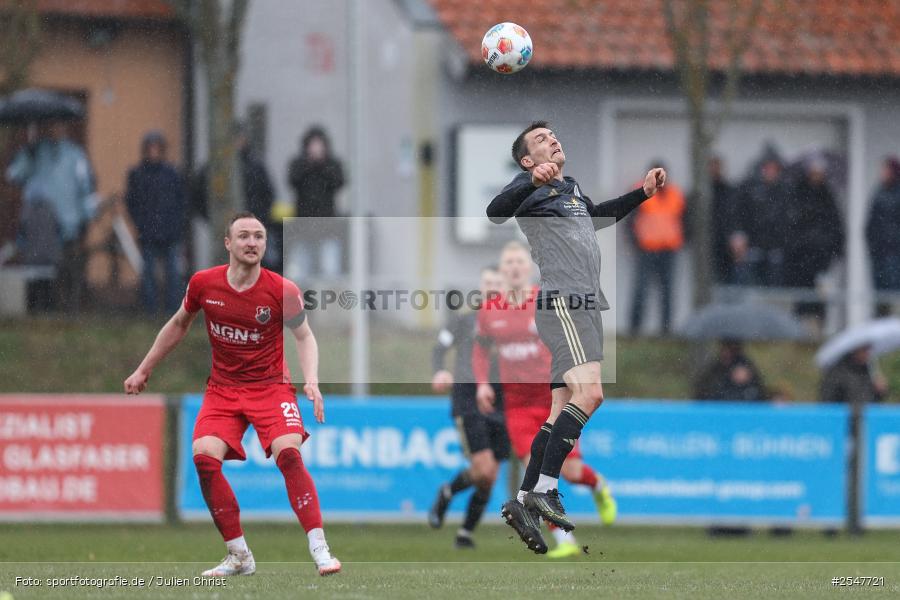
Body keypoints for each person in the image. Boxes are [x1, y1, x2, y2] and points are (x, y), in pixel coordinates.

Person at [123, 212, 341, 577]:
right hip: (223, 390)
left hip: (271, 387)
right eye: (244, 236)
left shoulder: (281, 290)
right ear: (228, 243)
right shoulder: (204, 284)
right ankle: (238, 555)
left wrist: (312, 380)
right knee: (204, 459)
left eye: (259, 236)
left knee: (289, 452)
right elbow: (179, 323)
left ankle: (320, 548)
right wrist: (144, 368)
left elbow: (304, 335)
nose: (252, 242)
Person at [486, 122, 663, 553]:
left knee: (560, 407)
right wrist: (529, 180)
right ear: (529, 159)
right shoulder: (529, 186)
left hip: (581, 302)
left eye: (552, 134)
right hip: (564, 300)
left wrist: (641, 193)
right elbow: (494, 211)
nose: (552, 139)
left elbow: (598, 216)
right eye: (541, 139)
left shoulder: (571, 189)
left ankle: (525, 498)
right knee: (591, 394)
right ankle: (546, 488)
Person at [474, 241, 617, 557]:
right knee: (536, 471)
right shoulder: (489, 310)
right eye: (508, 261)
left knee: (572, 472)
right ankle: (564, 542)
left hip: (553, 397)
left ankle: (599, 486)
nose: (513, 266)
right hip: (518, 405)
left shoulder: (546, 300)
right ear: (502, 269)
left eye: (518, 261)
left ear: (528, 267)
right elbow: (481, 349)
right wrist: (482, 383)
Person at [428, 266, 508, 549]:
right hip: (468, 399)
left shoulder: (516, 321)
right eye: (488, 282)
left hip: (502, 401)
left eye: (499, 283)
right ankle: (447, 491)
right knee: (484, 468)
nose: (493, 287)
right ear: (481, 286)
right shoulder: (464, 321)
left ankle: (465, 533)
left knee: (490, 474)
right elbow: (439, 348)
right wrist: (439, 371)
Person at [6, 120, 96, 311]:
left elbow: (86, 186)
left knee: (67, 272)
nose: (56, 130)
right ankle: (39, 311)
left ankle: (67, 312)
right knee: (39, 271)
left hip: (68, 226)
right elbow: (13, 175)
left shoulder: (75, 155)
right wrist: (27, 153)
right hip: (40, 226)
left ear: (65, 128)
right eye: (52, 126)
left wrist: (87, 217)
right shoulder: (35, 152)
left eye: (60, 126)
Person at [125, 131, 187, 315]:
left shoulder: (172, 174)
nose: (153, 152)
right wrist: (140, 224)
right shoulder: (137, 174)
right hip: (148, 233)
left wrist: (177, 224)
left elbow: (181, 201)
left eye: (156, 148)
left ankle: (172, 309)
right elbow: (132, 202)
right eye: (150, 148)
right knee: (149, 274)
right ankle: (150, 309)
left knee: (173, 274)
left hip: (170, 232)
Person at [782, 157, 844, 319]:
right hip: (801, 257)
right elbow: (791, 224)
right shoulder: (798, 194)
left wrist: (835, 248)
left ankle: (818, 327)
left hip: (821, 258)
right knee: (802, 297)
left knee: (821, 298)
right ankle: (801, 330)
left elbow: (836, 225)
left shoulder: (828, 196)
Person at [629, 161, 685, 335]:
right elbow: (630, 221)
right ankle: (635, 330)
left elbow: (685, 221)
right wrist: (636, 243)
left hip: (668, 250)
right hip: (647, 250)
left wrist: (681, 240)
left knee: (667, 292)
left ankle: (666, 331)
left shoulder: (676, 195)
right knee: (641, 291)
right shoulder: (640, 193)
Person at [286, 126, 346, 280]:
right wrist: (310, 164)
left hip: (327, 226)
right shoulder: (299, 164)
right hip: (303, 226)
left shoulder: (332, 164)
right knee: (299, 272)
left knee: (330, 270)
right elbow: (293, 180)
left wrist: (322, 164)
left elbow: (339, 181)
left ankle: (328, 303)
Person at [737, 147, 791, 286]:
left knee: (774, 289)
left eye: (774, 169)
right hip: (753, 247)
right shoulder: (750, 190)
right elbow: (741, 215)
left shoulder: (785, 192)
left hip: (776, 250)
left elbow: (788, 220)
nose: (770, 172)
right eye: (768, 168)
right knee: (751, 288)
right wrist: (741, 237)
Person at [709, 157, 754, 285]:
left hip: (727, 248)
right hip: (709, 247)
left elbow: (736, 217)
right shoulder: (702, 194)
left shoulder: (730, 191)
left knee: (731, 283)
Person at [866, 157, 900, 309]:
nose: (883, 173)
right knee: (880, 295)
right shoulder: (879, 192)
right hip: (879, 253)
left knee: (892, 293)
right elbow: (871, 224)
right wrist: (873, 246)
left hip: (893, 253)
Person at [693, 340, 768, 402]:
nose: (726, 353)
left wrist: (747, 381)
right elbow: (703, 391)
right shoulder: (715, 368)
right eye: (724, 349)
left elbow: (759, 393)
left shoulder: (746, 367)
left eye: (730, 349)